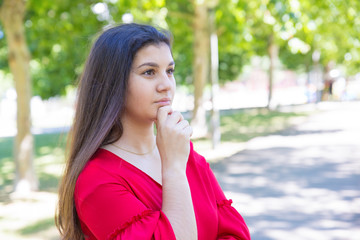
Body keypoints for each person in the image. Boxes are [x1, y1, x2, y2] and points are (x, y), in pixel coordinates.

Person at [55, 23, 250, 240]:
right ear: (114, 83)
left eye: (169, 71)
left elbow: (236, 233)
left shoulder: (185, 154)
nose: (166, 84)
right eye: (149, 72)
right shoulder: (97, 179)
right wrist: (174, 169)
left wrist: (177, 161)